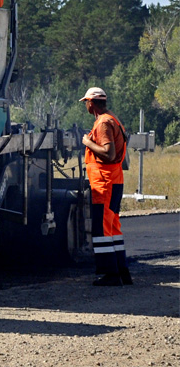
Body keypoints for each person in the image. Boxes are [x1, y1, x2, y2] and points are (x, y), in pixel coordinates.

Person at [80, 87, 132, 286]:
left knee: (102, 230)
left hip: (104, 182)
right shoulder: (112, 118)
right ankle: (122, 272)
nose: (86, 105)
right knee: (113, 227)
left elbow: (108, 154)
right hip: (114, 180)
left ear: (92, 103)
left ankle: (109, 274)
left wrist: (87, 142)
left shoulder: (103, 123)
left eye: (86, 102)